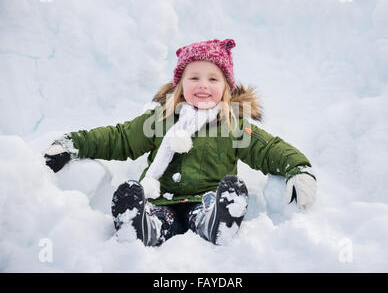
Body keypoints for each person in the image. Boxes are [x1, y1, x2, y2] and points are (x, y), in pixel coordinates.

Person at [44, 38, 317, 247]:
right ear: (180, 84)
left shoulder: (232, 123)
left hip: (208, 201)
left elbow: (267, 148)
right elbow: (121, 138)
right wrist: (74, 144)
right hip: (162, 200)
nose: (203, 85)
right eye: (193, 77)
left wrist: (298, 168)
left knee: (207, 212)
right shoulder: (161, 118)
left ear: (225, 86)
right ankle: (142, 226)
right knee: (160, 219)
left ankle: (218, 224)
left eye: (213, 79)